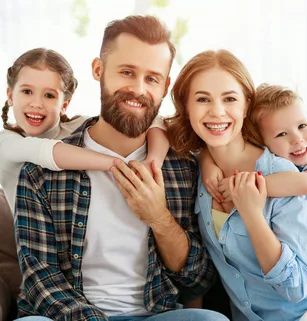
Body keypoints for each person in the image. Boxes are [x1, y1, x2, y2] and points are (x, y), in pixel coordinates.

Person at [13, 15, 227, 321]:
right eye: (127, 72)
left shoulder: (182, 169)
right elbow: (39, 279)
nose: (138, 89)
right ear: (98, 70)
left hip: (153, 315)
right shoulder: (42, 169)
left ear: (165, 86)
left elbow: (198, 280)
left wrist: (160, 219)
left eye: (152, 78)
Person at [166, 49, 307, 321]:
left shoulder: (283, 174)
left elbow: (296, 287)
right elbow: (157, 128)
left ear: (246, 104)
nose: (217, 111)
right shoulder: (194, 170)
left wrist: (253, 215)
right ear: (186, 106)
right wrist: (206, 160)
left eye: (229, 98)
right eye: (202, 99)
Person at [200, 84, 307, 298]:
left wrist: (248, 185)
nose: (297, 139)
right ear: (261, 143)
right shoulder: (272, 164)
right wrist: (208, 163)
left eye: (301, 126)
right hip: (305, 249)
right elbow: (206, 149)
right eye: (281, 134)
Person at [0, 47, 170, 215]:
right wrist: (119, 165)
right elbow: (47, 151)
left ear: (64, 105)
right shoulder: (6, 142)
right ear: (10, 96)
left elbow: (157, 120)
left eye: (49, 95)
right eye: (27, 91)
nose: (37, 103)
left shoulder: (78, 127)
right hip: (34, 236)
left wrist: (153, 162)